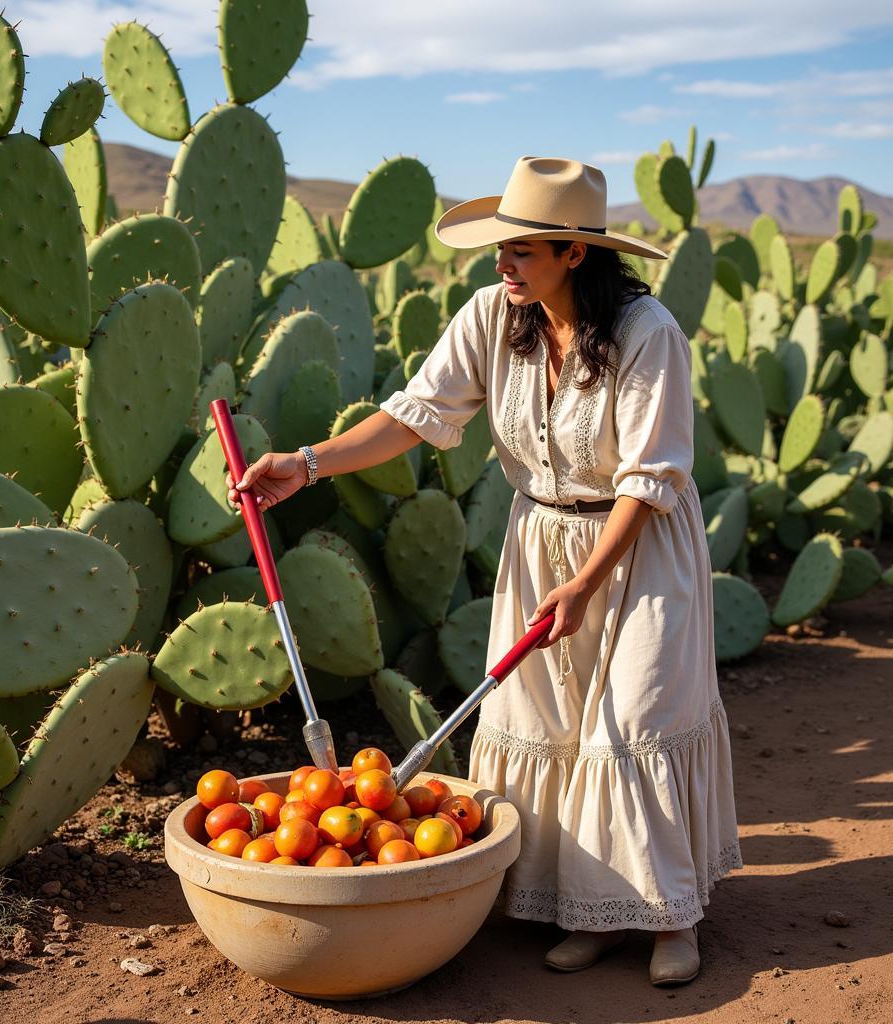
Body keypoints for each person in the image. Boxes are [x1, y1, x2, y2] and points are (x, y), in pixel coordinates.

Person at [226, 157, 742, 987]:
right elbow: (411, 418)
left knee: (632, 719)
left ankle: (671, 920)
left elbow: (650, 479)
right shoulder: (491, 317)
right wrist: (306, 463)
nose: (500, 264)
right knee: (549, 721)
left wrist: (588, 582)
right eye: (498, 249)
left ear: (575, 252)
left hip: (637, 547)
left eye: (521, 251)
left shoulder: (649, 335)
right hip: (540, 538)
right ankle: (594, 916)